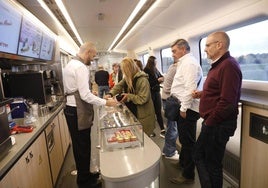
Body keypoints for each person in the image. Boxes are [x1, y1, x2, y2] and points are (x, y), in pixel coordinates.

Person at [63, 42, 118, 188]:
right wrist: (105, 102)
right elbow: (85, 95)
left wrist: (92, 94)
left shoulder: (70, 64)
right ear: (87, 52)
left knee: (79, 145)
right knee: (83, 146)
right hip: (78, 112)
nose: (92, 59)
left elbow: (78, 90)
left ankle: (85, 174)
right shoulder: (81, 67)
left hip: (71, 110)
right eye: (93, 56)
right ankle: (84, 182)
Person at [192, 31, 242, 188]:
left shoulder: (228, 66)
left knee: (207, 160)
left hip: (218, 124)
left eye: (207, 45)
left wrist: (209, 123)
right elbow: (219, 91)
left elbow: (227, 102)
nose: (205, 49)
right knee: (207, 159)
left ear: (219, 45)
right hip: (214, 123)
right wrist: (202, 94)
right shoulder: (219, 65)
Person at [169, 39, 203, 184]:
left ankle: (188, 174)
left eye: (174, 51)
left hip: (187, 108)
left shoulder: (189, 63)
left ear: (183, 49)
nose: (173, 54)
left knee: (188, 142)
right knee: (183, 139)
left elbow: (190, 88)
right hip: (183, 106)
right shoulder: (184, 62)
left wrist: (183, 109)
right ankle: (183, 162)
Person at [105, 57, 156, 136]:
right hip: (133, 111)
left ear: (129, 68)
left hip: (143, 113)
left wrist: (128, 96)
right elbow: (119, 86)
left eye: (124, 69)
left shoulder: (143, 80)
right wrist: (110, 94)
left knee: (144, 137)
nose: (123, 72)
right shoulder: (128, 78)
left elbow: (143, 98)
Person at [144, 56, 165, 138]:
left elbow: (160, 76)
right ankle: (151, 130)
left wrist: (162, 78)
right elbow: (148, 83)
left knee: (158, 111)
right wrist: (157, 80)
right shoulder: (146, 70)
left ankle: (162, 129)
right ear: (152, 62)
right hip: (151, 93)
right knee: (152, 112)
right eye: (155, 61)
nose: (156, 63)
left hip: (156, 92)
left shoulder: (155, 69)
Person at [161, 60, 179, 160]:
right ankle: (169, 153)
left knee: (170, 127)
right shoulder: (176, 69)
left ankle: (167, 149)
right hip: (170, 100)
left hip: (166, 100)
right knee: (172, 129)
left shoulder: (172, 67)